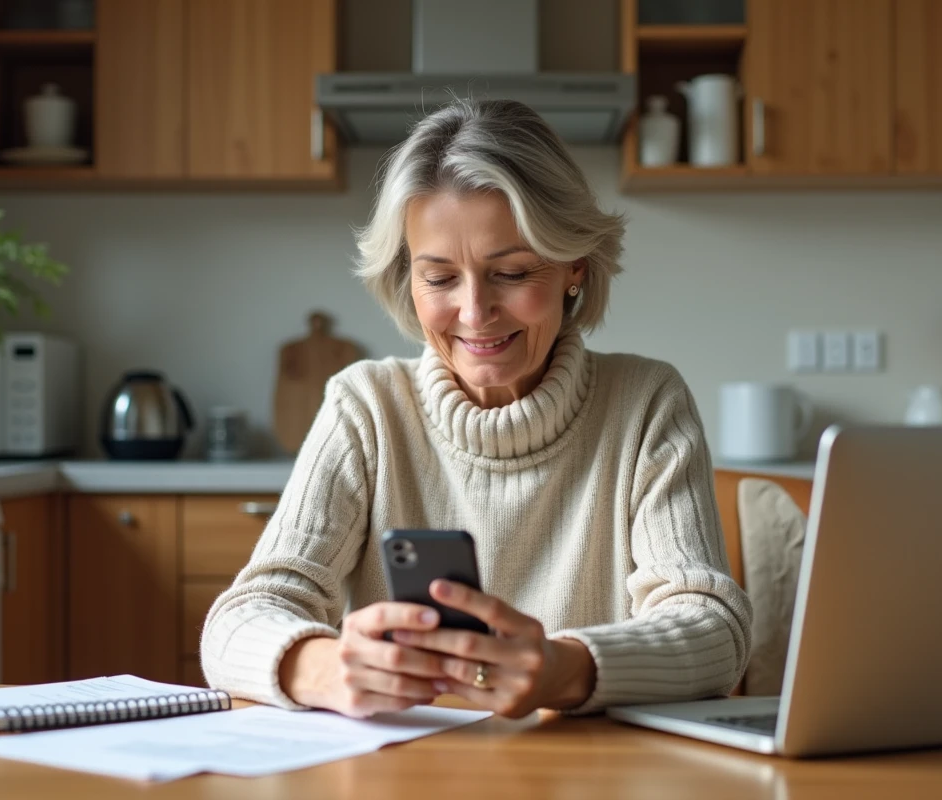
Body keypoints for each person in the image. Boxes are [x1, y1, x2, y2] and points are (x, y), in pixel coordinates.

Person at [201, 98, 752, 719]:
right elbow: (240, 619)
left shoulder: (645, 402)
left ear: (574, 264)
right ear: (407, 279)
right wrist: (323, 667)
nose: (474, 312)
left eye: (512, 273)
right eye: (439, 279)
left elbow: (715, 630)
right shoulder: (366, 406)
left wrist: (565, 668)